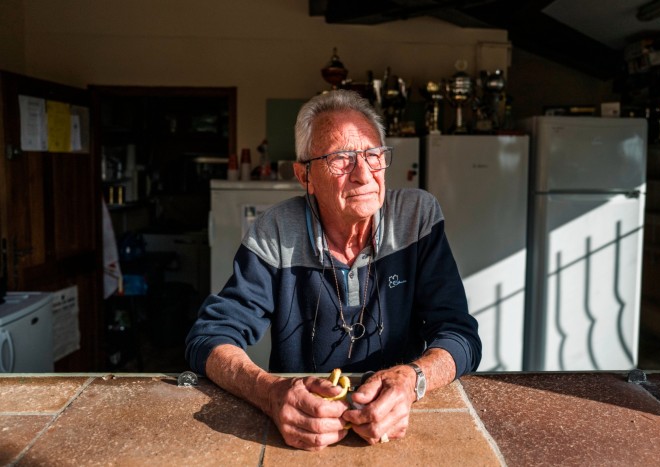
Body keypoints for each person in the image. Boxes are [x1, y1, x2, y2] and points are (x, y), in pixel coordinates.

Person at [185, 89, 481, 451]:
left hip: (395, 427)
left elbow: (460, 336)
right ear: (304, 175)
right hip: (300, 434)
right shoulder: (276, 231)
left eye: (373, 155)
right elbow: (210, 337)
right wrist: (270, 393)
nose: (363, 175)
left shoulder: (417, 218)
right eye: (341, 159)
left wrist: (411, 380)